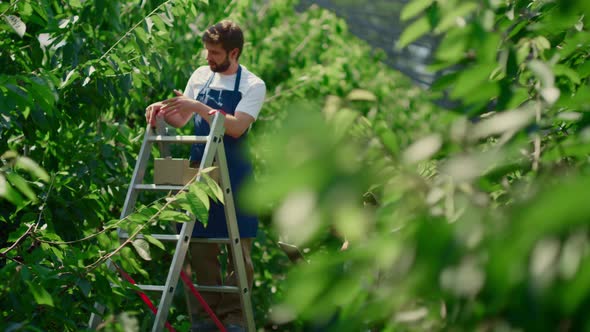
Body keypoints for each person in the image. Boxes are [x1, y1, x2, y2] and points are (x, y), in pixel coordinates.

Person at [145, 20, 266, 332]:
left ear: (234, 52)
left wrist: (198, 106)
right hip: (199, 174)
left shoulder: (252, 85)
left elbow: (237, 126)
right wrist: (162, 109)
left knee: (239, 252)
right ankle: (205, 319)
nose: (208, 58)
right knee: (200, 249)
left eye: (215, 52)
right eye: (207, 51)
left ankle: (234, 317)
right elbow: (183, 117)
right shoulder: (200, 76)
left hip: (236, 175)